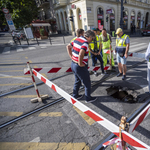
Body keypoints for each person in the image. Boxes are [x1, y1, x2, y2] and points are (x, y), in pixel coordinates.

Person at [66, 30, 97, 103]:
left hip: (73, 64)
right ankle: (88, 98)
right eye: (92, 39)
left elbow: (68, 46)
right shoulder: (85, 43)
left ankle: (75, 95)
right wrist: (80, 63)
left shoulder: (77, 39)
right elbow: (81, 54)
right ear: (89, 37)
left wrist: (72, 57)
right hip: (79, 66)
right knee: (87, 83)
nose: (92, 41)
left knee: (77, 81)